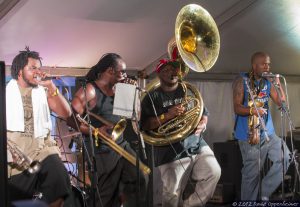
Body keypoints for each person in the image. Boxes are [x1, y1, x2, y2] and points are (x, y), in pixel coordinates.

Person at [70, 53, 148, 207]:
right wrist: (95, 131)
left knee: (141, 176)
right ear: (111, 71)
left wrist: (133, 94)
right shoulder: (91, 90)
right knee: (105, 194)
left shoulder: (121, 89)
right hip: (101, 148)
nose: (125, 75)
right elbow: (70, 119)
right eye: (122, 71)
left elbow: (135, 119)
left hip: (120, 144)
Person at [141, 58, 221, 207]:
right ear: (159, 75)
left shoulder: (189, 90)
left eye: (173, 69)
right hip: (169, 150)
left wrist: (203, 124)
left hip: (195, 143)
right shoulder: (152, 97)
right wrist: (168, 116)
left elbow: (203, 112)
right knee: (171, 194)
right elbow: (145, 125)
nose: (171, 72)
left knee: (214, 172)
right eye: (166, 70)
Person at [6, 47, 72, 206]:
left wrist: (51, 87)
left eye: (39, 68)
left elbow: (66, 113)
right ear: (20, 71)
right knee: (16, 200)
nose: (38, 71)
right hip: (17, 157)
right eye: (32, 68)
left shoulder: (43, 91)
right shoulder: (5, 93)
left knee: (59, 180)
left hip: (43, 150)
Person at [232, 51, 291, 200]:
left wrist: (278, 85)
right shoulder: (242, 80)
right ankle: (248, 202)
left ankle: (263, 193)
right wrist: (253, 110)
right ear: (254, 65)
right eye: (263, 63)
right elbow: (237, 108)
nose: (267, 66)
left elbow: (282, 104)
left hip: (268, 133)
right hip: (249, 135)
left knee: (285, 157)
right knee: (251, 175)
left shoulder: (267, 82)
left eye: (269, 64)